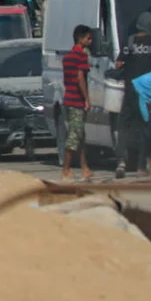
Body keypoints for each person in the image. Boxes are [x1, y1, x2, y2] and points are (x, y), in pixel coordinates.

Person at [116, 12, 151, 177]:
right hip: (148, 93)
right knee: (149, 127)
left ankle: (121, 162)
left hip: (131, 90)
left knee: (124, 126)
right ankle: (145, 164)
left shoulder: (130, 41)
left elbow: (118, 64)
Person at [62, 24, 95, 182]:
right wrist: (87, 99)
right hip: (77, 101)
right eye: (88, 38)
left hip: (68, 99)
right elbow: (80, 78)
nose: (91, 40)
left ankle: (85, 168)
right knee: (75, 136)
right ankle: (66, 169)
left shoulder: (67, 57)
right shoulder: (81, 56)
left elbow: (67, 79)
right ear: (81, 39)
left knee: (81, 136)